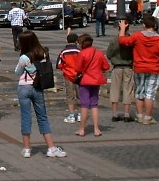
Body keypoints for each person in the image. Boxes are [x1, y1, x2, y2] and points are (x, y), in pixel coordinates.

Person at [14, 30, 67, 158]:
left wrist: (27, 66)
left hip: (24, 87)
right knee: (42, 117)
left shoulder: (24, 57)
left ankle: (27, 149)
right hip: (38, 87)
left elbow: (17, 72)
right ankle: (51, 147)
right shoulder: (43, 53)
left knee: (26, 117)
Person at [118, 15, 159, 125]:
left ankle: (139, 115)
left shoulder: (137, 36)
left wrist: (122, 28)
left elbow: (123, 41)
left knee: (139, 92)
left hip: (139, 67)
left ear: (144, 25)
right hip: (153, 69)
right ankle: (148, 117)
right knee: (150, 94)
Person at [74, 34, 110, 137]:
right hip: (96, 80)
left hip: (85, 81)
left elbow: (77, 69)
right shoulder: (99, 53)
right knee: (94, 104)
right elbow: (106, 66)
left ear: (82, 43)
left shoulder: (82, 54)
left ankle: (82, 129)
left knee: (84, 104)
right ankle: (96, 129)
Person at [106, 25, 136, 122]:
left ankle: (115, 114)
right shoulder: (132, 39)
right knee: (128, 90)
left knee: (115, 90)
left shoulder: (114, 40)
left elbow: (108, 54)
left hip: (117, 67)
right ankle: (126, 114)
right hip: (128, 66)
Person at [56, 32, 81, 124]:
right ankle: (80, 114)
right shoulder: (79, 51)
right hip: (79, 76)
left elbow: (59, 65)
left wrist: (65, 68)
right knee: (80, 95)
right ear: (77, 41)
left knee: (70, 96)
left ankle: (71, 115)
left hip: (68, 76)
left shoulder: (63, 52)